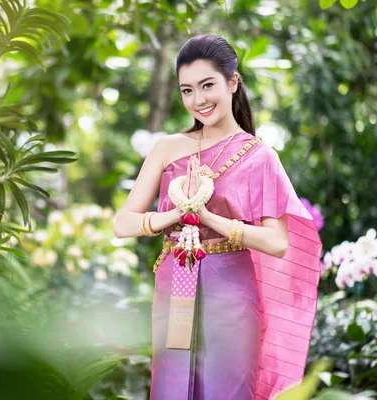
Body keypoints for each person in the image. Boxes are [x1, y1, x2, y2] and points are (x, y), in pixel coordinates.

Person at [112, 34, 322, 400]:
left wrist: (210, 217)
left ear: (233, 81)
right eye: (187, 90)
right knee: (173, 384)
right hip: (176, 280)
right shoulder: (167, 148)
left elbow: (277, 242)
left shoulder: (259, 156)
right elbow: (122, 223)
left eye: (207, 85)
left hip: (231, 290)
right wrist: (175, 215)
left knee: (226, 386)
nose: (198, 100)